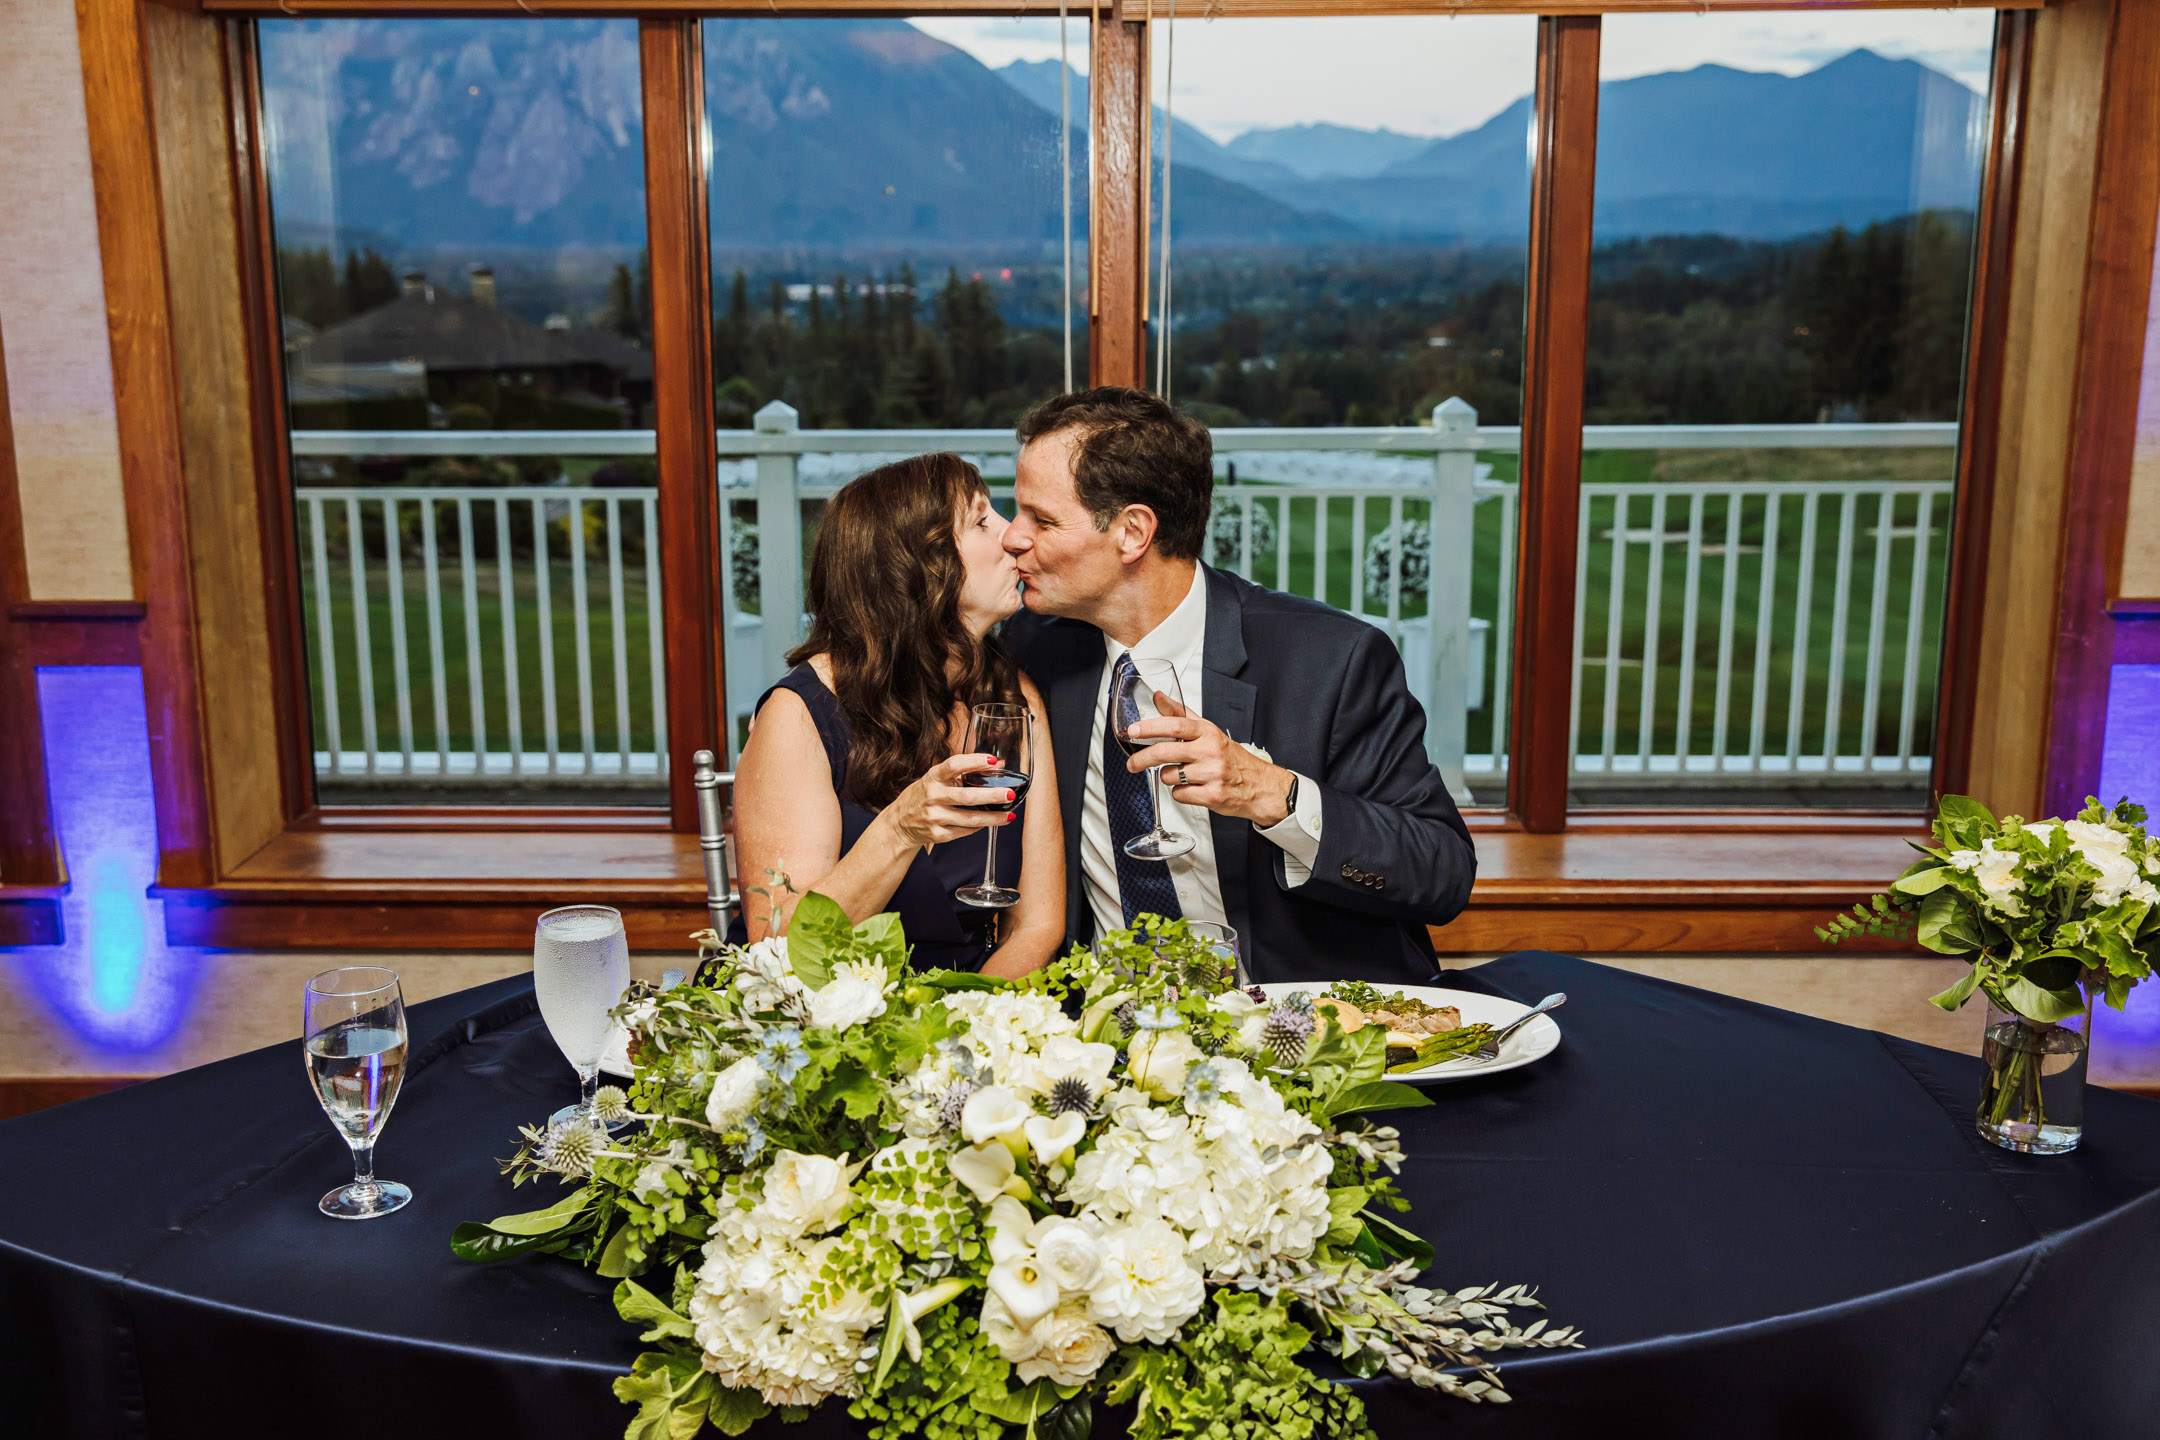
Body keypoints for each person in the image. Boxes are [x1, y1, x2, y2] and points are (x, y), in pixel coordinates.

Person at [999, 387, 1475, 985]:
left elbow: (1443, 874)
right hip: (1108, 1035)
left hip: (1300, 1020)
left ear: (1132, 532)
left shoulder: (1332, 659)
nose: (1012, 537)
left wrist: (1274, 795)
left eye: (1041, 519)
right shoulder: (1033, 652)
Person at [728, 453, 1066, 977]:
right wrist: (900, 828)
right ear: (914, 569)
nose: (1014, 536)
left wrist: (970, 1036)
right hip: (823, 1016)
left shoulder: (1011, 697)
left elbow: (1038, 925)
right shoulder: (799, 716)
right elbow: (781, 950)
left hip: (981, 1002)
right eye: (981, 521)